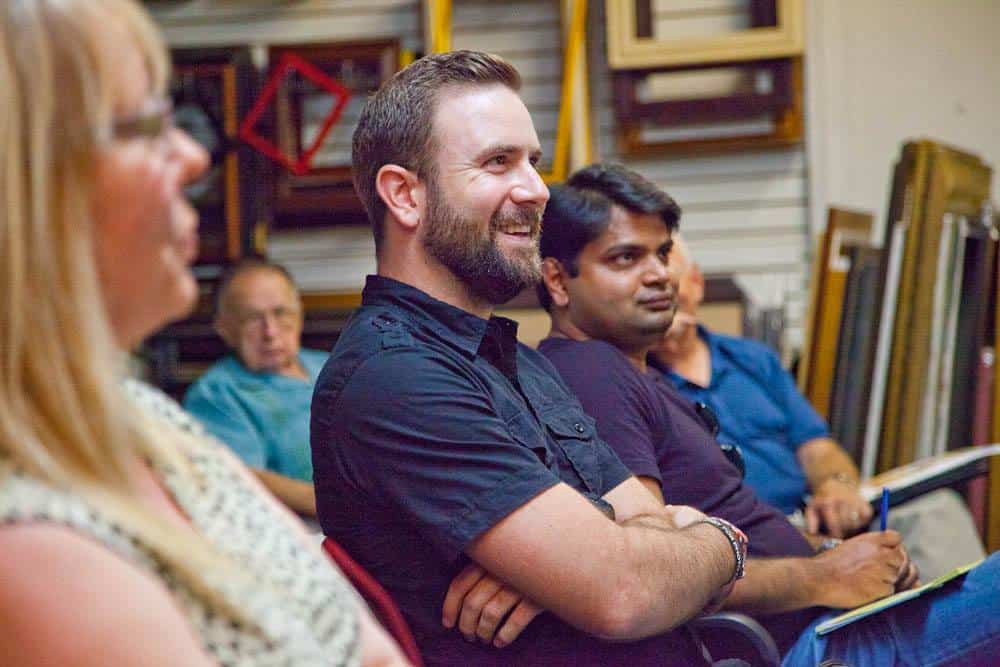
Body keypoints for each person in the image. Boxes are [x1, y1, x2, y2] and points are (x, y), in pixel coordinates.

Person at [0, 2, 407, 665]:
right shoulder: (24, 543)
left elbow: (371, 644)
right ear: (31, 188)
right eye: (149, 126)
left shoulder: (148, 418)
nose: (192, 156)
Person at [312, 50, 747, 666]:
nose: (538, 190)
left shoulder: (514, 360)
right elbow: (625, 592)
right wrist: (718, 542)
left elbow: (634, 540)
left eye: (533, 163)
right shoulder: (396, 378)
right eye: (497, 163)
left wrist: (586, 559)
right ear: (405, 195)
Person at [534, 163, 1000, 665]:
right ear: (559, 279)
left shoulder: (637, 375)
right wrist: (824, 575)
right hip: (807, 646)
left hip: (830, 618)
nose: (658, 275)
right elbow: (652, 572)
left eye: (663, 253)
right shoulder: (591, 372)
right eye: (626, 258)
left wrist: (833, 552)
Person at [652, 233, 986, 577]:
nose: (663, 300)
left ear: (696, 283)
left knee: (936, 513)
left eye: (672, 284)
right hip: (750, 540)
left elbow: (817, 447)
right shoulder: (639, 382)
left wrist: (836, 484)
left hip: (815, 518)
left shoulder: (754, 359)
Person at [185, 258, 326, 519]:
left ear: (299, 315)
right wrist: (338, 508)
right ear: (224, 329)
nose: (270, 332)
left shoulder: (331, 365)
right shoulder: (217, 394)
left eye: (281, 313)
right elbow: (242, 477)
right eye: (252, 318)